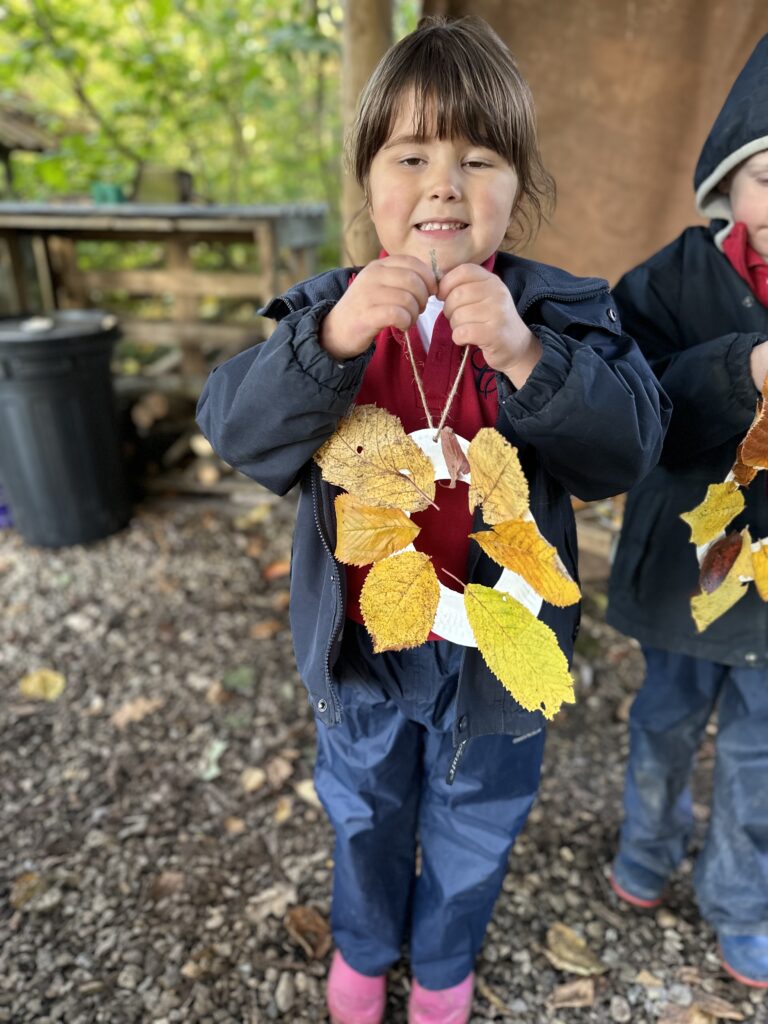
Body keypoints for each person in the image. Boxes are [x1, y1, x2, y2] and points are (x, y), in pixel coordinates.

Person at [197, 16, 668, 1024]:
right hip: (366, 643)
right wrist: (326, 340)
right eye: (412, 155)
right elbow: (235, 429)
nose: (444, 183)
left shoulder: (561, 314)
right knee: (364, 808)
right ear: (368, 180)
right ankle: (366, 947)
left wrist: (530, 358)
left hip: (497, 654)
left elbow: (626, 449)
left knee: (478, 819)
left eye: (477, 156)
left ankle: (445, 963)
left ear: (520, 185)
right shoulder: (328, 309)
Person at [606, 35, 768, 989]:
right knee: (665, 719)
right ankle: (647, 847)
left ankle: (745, 901)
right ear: (726, 186)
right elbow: (636, 413)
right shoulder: (665, 282)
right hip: (687, 565)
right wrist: (741, 368)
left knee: (759, 752)